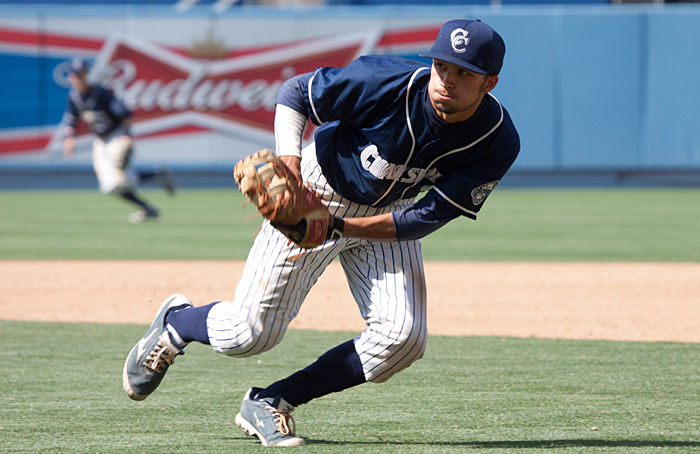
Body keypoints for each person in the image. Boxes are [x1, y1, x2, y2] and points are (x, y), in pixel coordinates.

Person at [123, 19, 520, 446]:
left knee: (403, 339)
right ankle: (176, 323)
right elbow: (296, 92)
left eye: (464, 73)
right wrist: (290, 165)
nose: (448, 80)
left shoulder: (496, 139)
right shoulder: (384, 80)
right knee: (249, 334)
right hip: (319, 189)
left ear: (489, 83)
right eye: (443, 66)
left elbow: (426, 217)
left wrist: (341, 228)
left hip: (390, 215)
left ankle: (273, 400)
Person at [60, 57, 175, 223]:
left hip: (116, 135)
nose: (78, 78)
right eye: (75, 75)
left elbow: (125, 116)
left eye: (81, 74)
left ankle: (148, 206)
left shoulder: (100, 93)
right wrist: (69, 139)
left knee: (118, 181)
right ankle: (156, 179)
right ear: (70, 76)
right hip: (100, 141)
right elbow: (71, 121)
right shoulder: (73, 98)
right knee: (109, 186)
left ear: (86, 74)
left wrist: (126, 136)